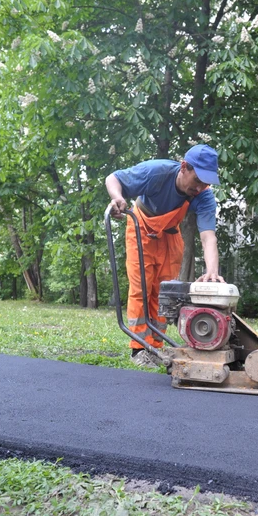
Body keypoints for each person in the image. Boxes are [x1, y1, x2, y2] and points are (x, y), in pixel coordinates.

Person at [105, 144, 225, 367]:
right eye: (197, 180)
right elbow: (113, 178)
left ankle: (156, 347)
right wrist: (117, 198)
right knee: (142, 287)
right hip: (141, 228)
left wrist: (212, 271)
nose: (200, 187)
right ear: (184, 167)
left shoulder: (204, 196)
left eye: (206, 183)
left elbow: (208, 237)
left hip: (169, 235)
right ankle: (140, 348)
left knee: (164, 293)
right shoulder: (157, 172)